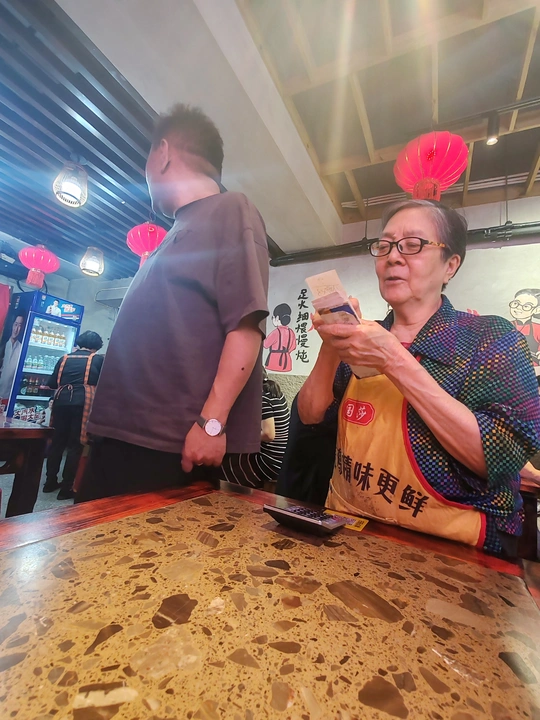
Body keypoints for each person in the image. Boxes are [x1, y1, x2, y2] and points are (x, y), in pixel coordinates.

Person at [298, 199, 540, 557]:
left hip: (454, 556)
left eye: (412, 245)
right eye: (384, 246)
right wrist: (332, 344)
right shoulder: (365, 336)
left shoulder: (490, 338)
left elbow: (502, 456)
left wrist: (394, 358)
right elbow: (311, 415)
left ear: (450, 266)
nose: (393, 257)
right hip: (350, 535)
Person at [76, 104, 269, 501]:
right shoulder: (176, 231)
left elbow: (246, 325)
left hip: (167, 447)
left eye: (148, 156)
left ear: (162, 152)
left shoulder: (230, 208)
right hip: (125, 438)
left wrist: (211, 424)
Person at [44, 331, 104, 500]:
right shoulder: (97, 360)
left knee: (57, 443)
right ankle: (66, 488)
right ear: (96, 346)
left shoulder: (64, 358)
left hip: (61, 401)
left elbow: (52, 383)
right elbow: (104, 384)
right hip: (82, 402)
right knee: (75, 445)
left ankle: (49, 482)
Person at [220, 371, 290, 488]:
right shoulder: (273, 391)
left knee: (229, 463)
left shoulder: (261, 397)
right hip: (282, 458)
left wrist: (241, 436)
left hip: (271, 461)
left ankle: (238, 496)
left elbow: (268, 434)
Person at [509, 288, 540, 366]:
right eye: (516, 303)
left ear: (537, 310)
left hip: (532, 368)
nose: (518, 308)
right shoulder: (505, 325)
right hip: (508, 366)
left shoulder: (538, 328)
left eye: (526, 306)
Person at [264, 304, 296, 372]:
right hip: (287, 362)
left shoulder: (276, 332)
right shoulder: (291, 332)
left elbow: (265, 345)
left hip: (274, 361)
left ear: (277, 318)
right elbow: (293, 347)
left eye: (273, 317)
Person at [0, 314, 24, 401]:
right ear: (12, 325)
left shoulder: (22, 349)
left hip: (9, 398)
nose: (16, 329)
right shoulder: (3, 345)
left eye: (20, 325)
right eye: (15, 324)